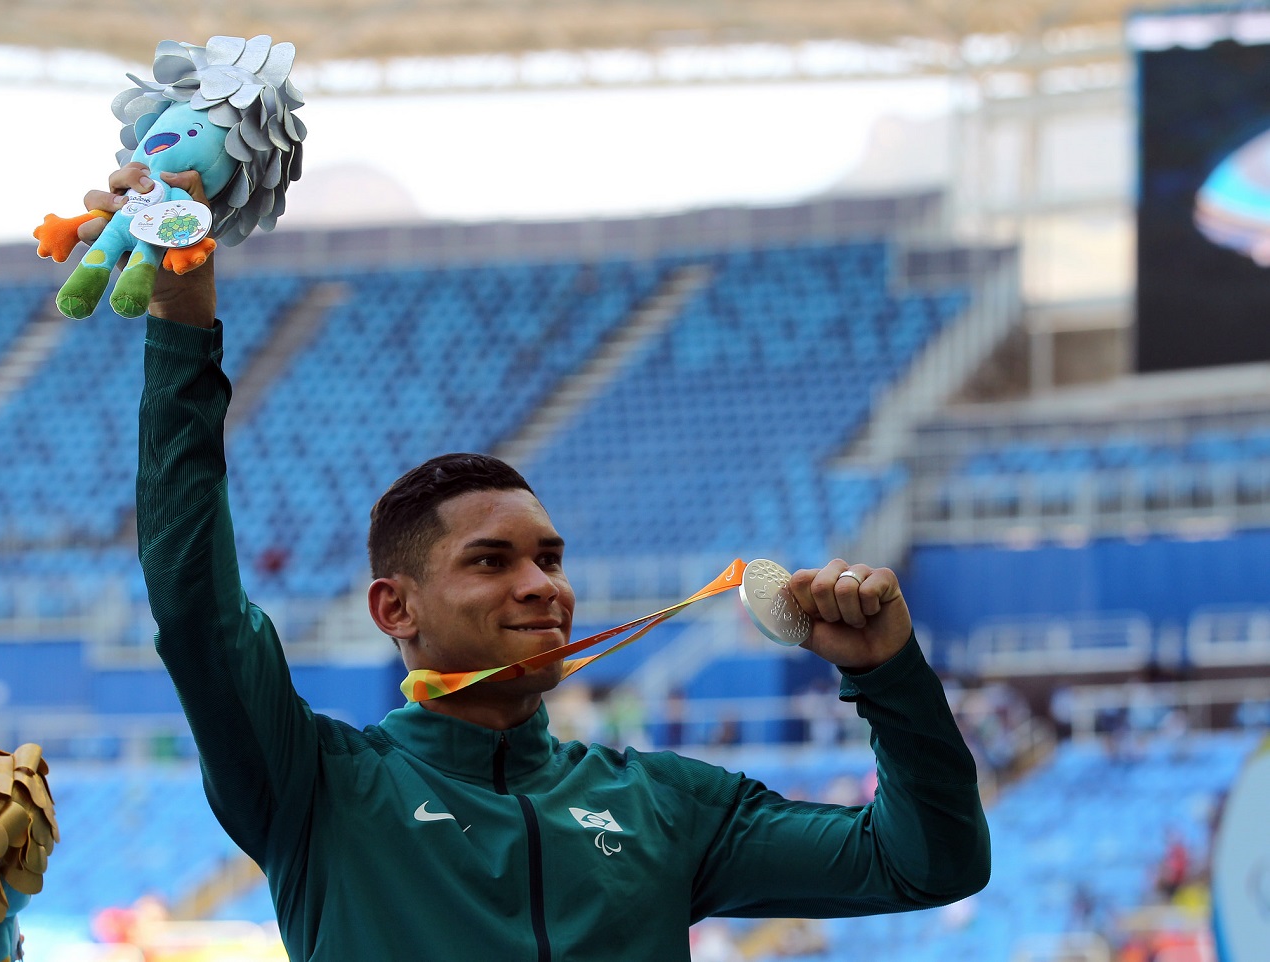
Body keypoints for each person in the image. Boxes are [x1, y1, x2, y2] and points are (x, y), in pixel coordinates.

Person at [87, 162, 990, 961]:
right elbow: (199, 610)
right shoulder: (317, 787)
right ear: (393, 609)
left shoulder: (663, 807)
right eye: (490, 561)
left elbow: (928, 862)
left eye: (550, 559)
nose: (541, 587)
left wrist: (890, 678)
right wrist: (182, 319)